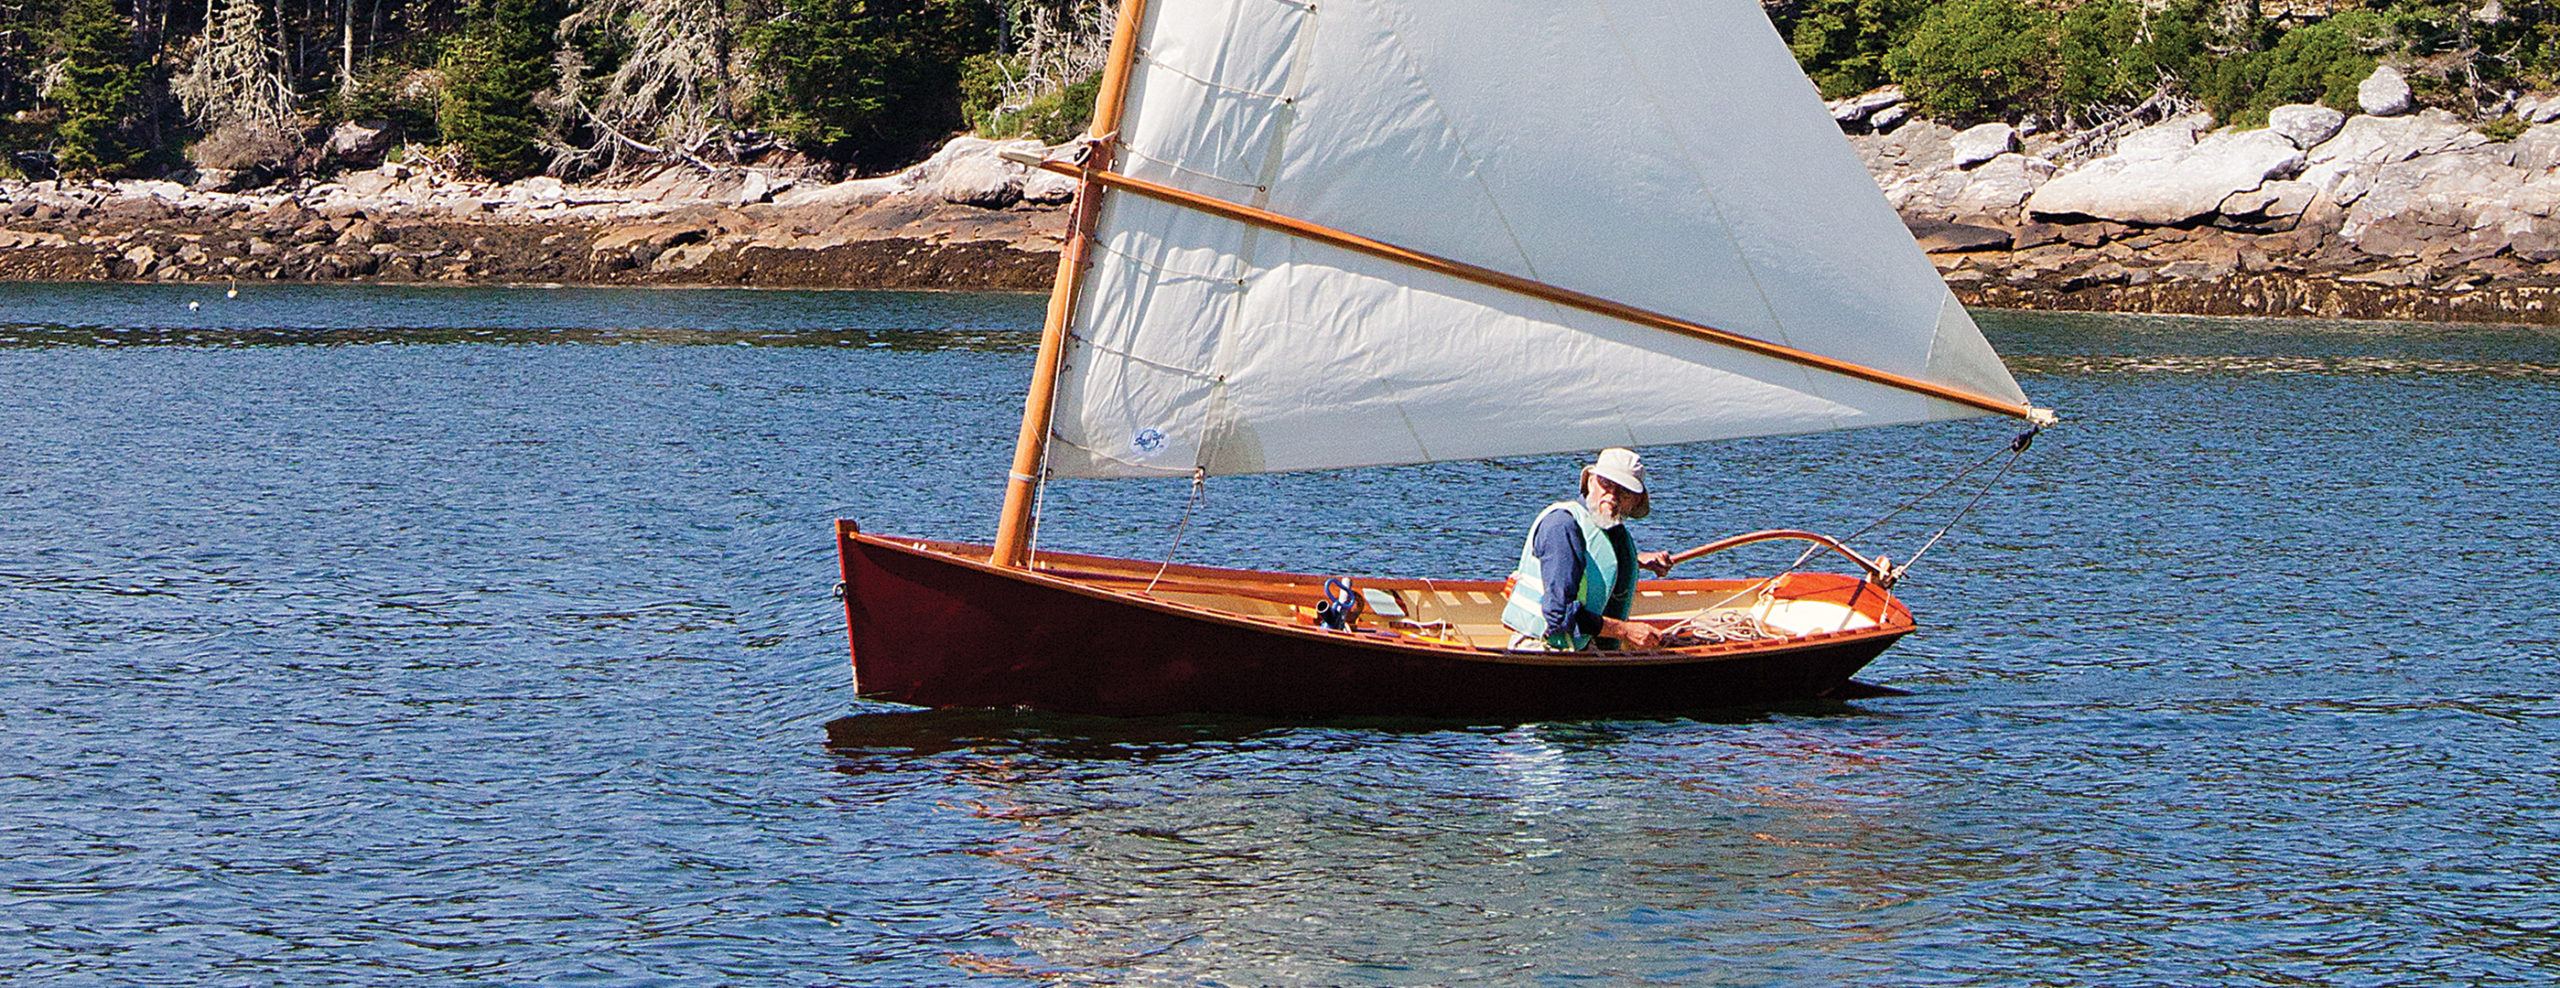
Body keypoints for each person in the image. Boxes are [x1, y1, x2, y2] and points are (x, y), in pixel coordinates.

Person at [1500, 448, 1676, 650]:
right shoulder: (1561, 526)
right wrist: (1625, 631)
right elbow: (1560, 616)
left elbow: (1590, 558)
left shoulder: (1608, 527)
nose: (1612, 495)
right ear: (1591, 481)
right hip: (1542, 648)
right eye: (1606, 484)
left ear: (1635, 500)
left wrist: (1633, 561)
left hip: (1578, 646)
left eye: (1624, 491)